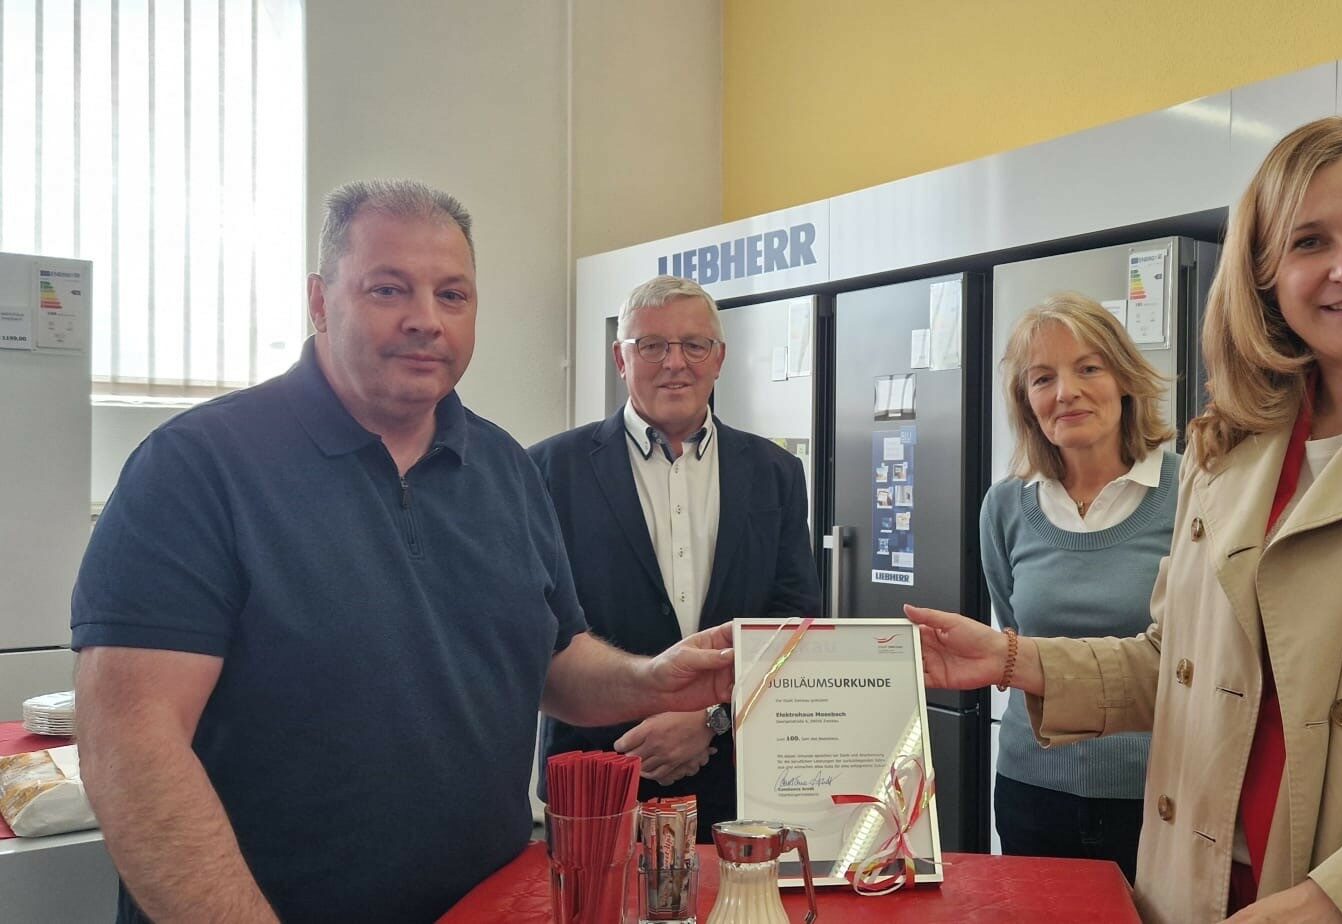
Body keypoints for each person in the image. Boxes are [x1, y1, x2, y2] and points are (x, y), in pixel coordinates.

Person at [908, 114, 1342, 923]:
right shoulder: (1230, 443)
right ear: (1264, 274)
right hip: (1197, 889)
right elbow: (1178, 667)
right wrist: (1009, 658)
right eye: (1306, 242)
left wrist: (1337, 903)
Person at [70, 181, 735, 924]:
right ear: (320, 302)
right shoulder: (197, 468)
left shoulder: (506, 469)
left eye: (452, 295)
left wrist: (653, 680)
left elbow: (554, 662)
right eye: (388, 289)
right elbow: (131, 746)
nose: (426, 319)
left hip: (485, 909)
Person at [529, 275, 820, 839]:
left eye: (694, 345)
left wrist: (710, 719)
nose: (675, 363)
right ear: (621, 358)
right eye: (652, 345)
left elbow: (792, 626)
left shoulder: (775, 473)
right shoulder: (545, 471)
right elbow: (542, 633)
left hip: (735, 779)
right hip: (599, 779)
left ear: (720, 358)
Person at [985, 293, 1178, 880]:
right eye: (1042, 378)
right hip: (1031, 788)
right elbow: (1014, 627)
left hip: (1162, 792)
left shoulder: (1196, 490)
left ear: (1124, 379)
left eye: (1088, 368)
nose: (1065, 392)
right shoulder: (1005, 505)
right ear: (1027, 401)